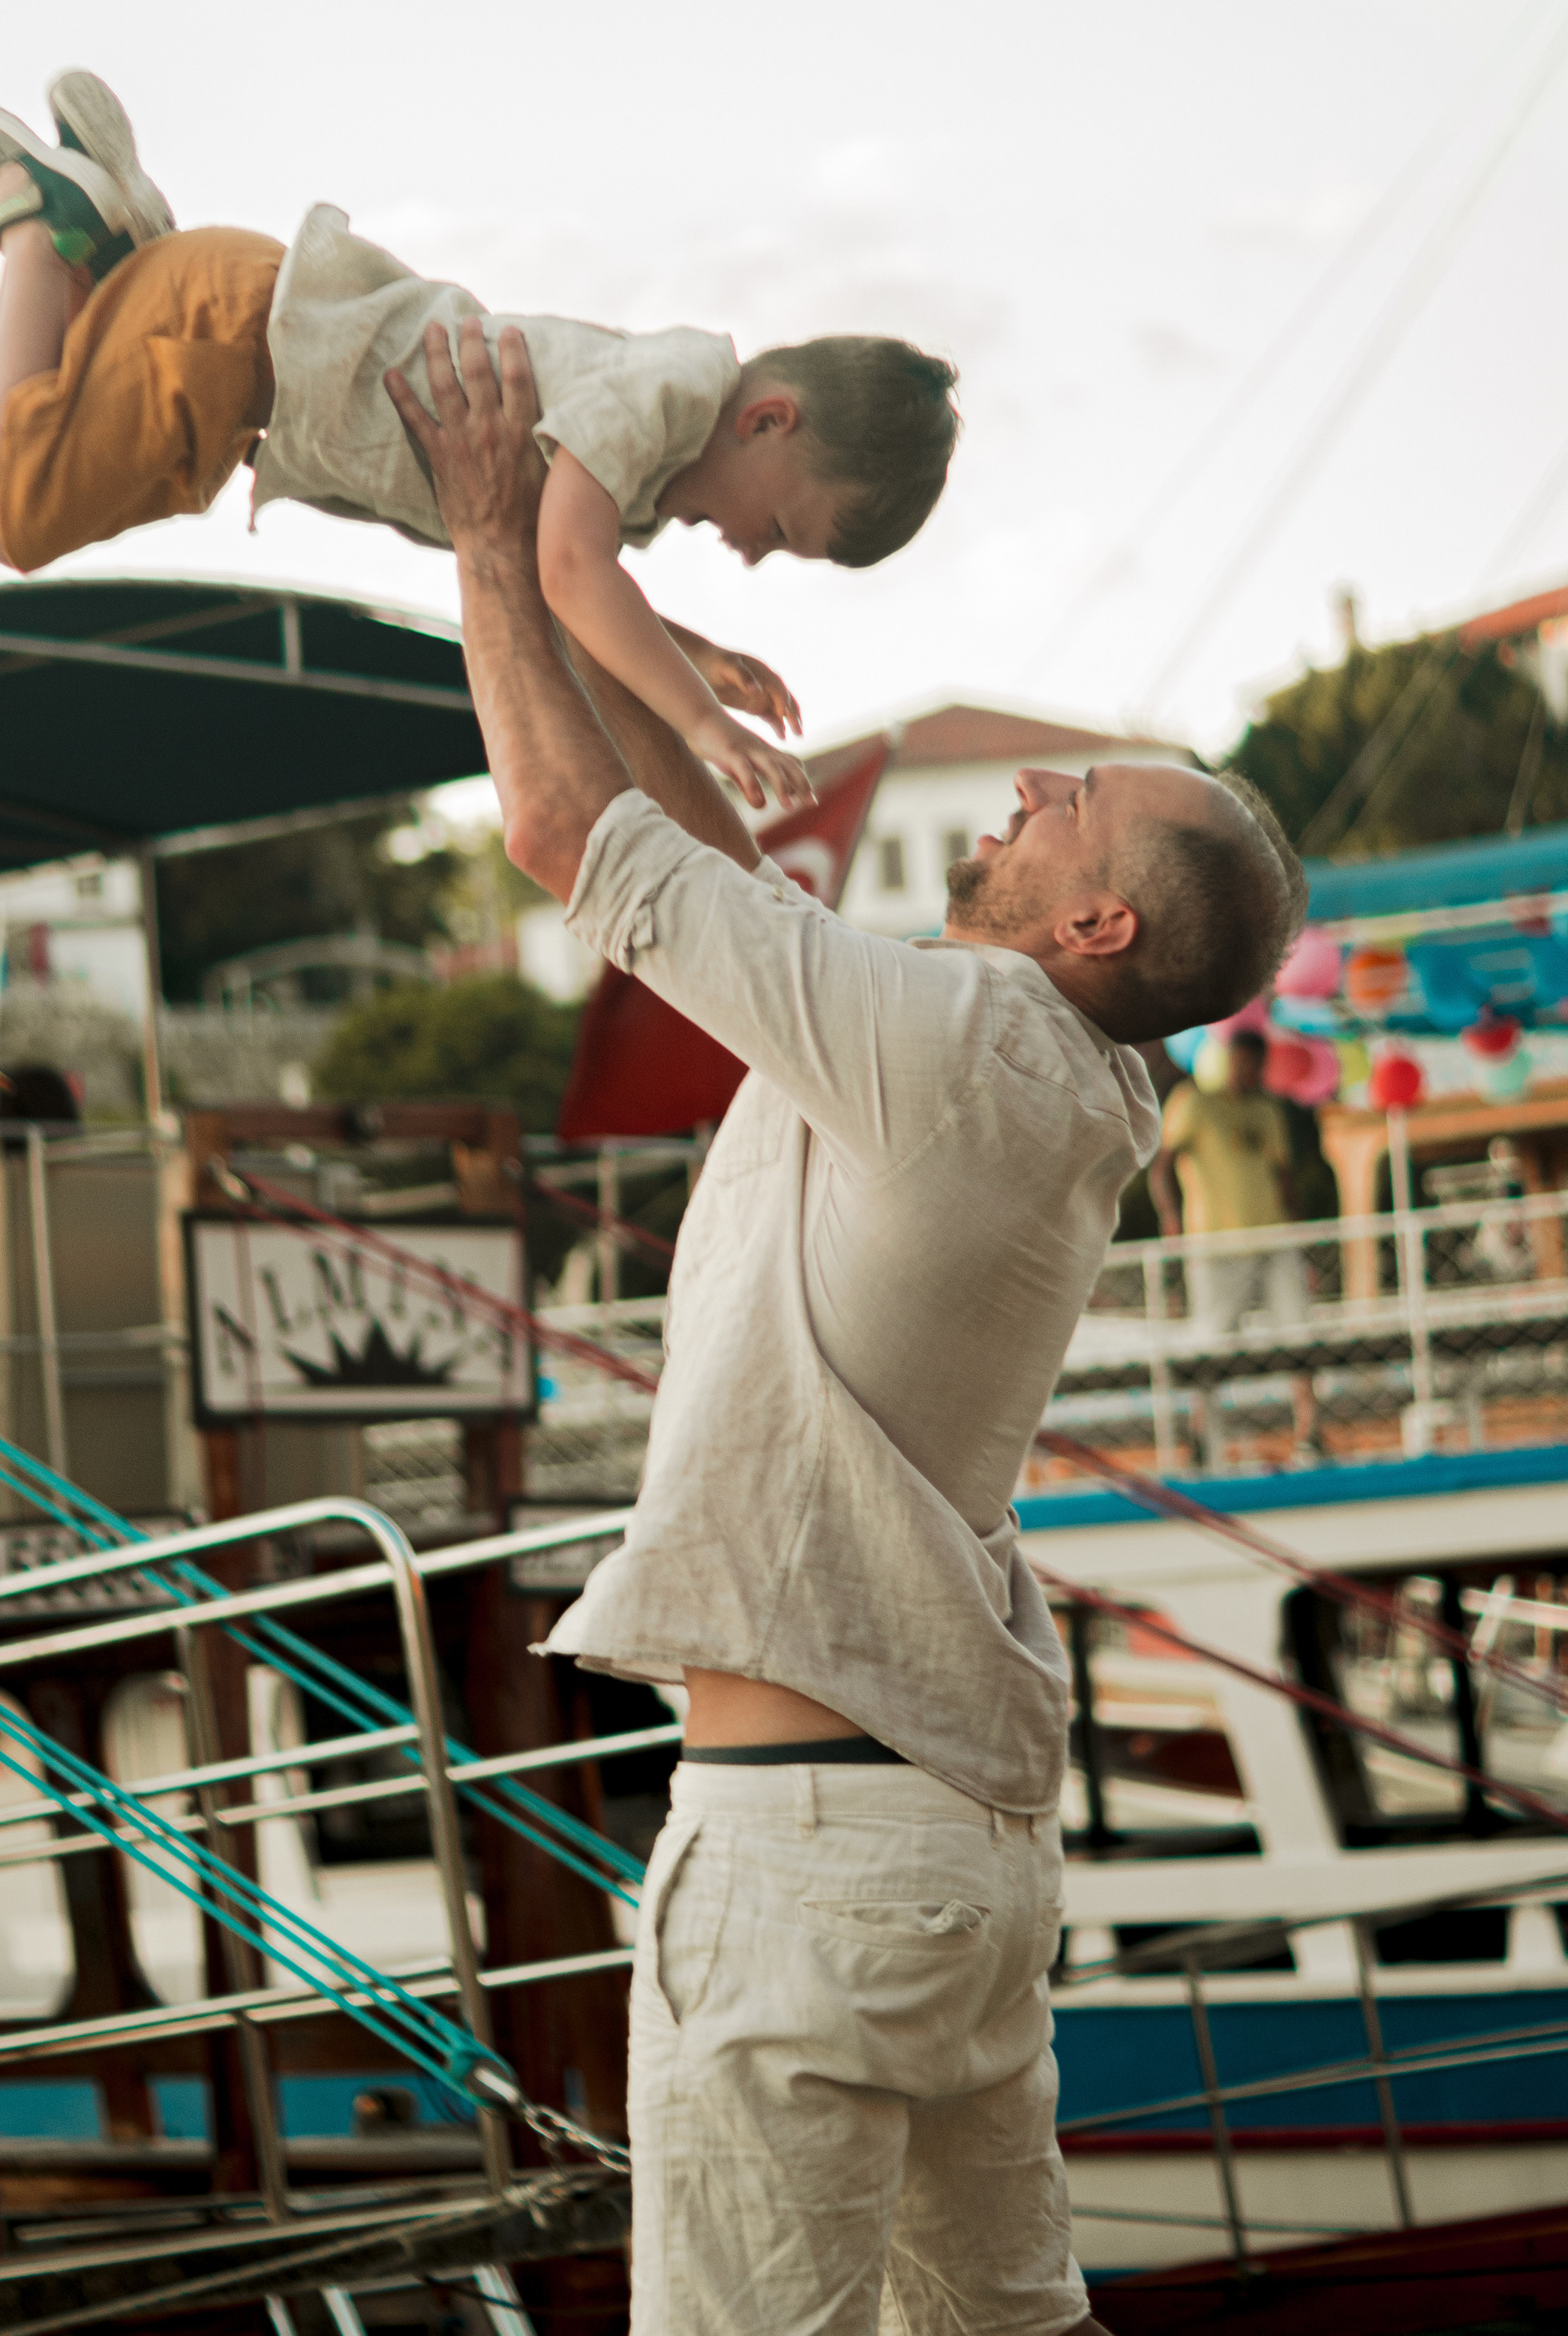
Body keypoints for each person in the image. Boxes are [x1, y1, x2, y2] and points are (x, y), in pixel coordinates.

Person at [383, 313, 1308, 2336]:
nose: (1032, 780)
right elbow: (727, 892)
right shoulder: (1043, 1084)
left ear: (1095, 926)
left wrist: (482, 536)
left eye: (1073, 801)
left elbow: (568, 844)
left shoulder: (960, 1045)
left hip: (808, 1860)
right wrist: (631, 641)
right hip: (944, 1861)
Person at [0, 74, 960, 813]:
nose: (750, 552)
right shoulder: (672, 387)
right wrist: (702, 721)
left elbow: (555, 573)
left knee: (82, 462)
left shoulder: (640, 459)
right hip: (230, 331)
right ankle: (41, 217)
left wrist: (692, 654)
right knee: (3, 512)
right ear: (767, 419)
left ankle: (111, 246)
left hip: (239, 345)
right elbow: (568, 572)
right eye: (777, 528)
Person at [1150, 1027, 1308, 1333]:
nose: (1251, 1070)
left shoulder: (1268, 1110)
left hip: (1273, 1237)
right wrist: (1170, 1217)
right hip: (1216, 1242)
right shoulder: (1195, 1102)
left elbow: (1283, 1177)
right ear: (1230, 1060)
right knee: (1217, 1334)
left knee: (1298, 1327)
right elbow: (1162, 1169)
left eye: (1258, 1063)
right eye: (1244, 1062)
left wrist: (1300, 1233)